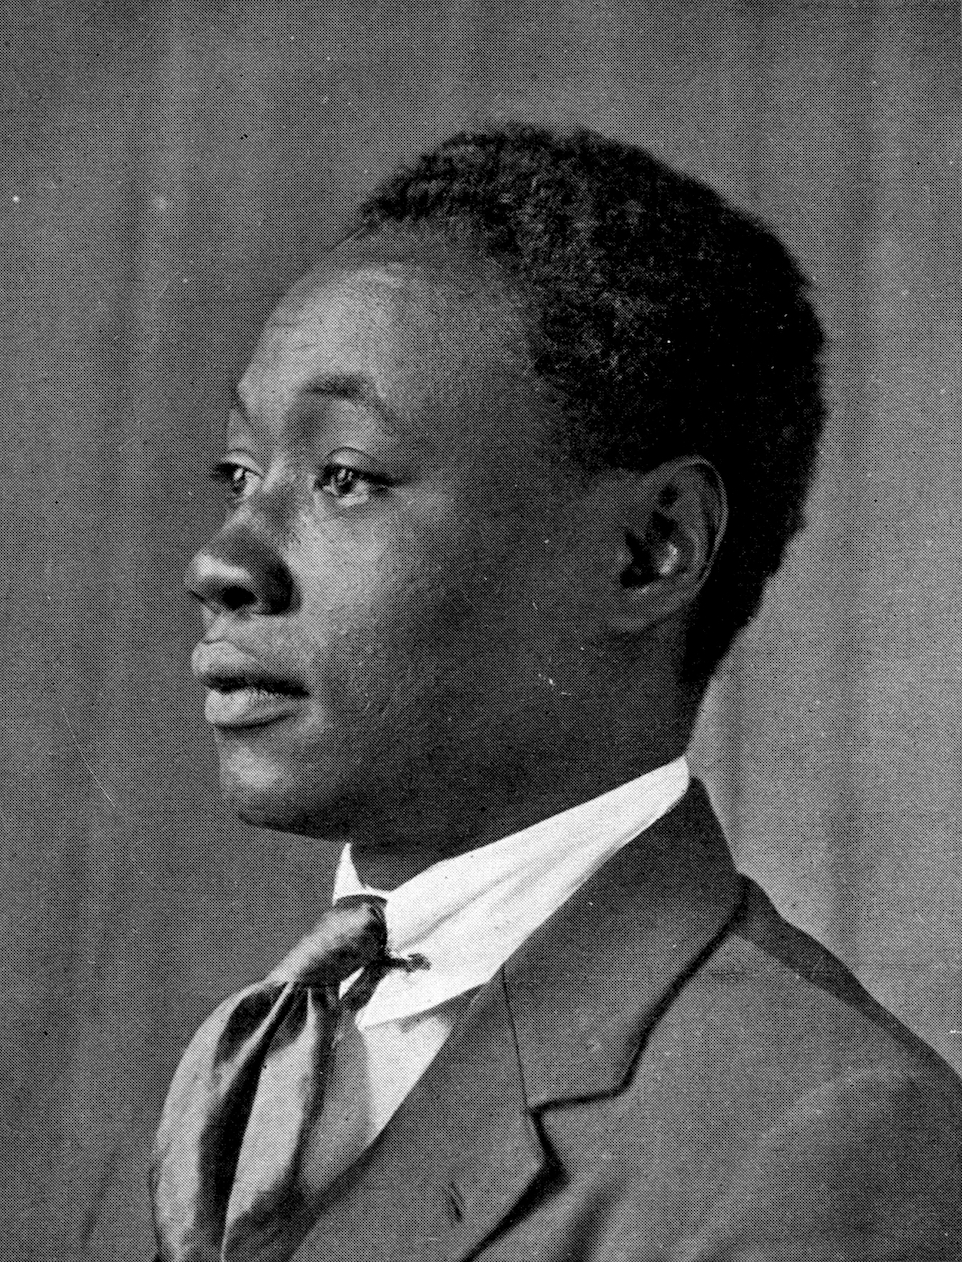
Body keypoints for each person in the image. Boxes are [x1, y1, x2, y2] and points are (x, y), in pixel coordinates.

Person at [151, 127, 962, 1262]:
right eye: (240, 474)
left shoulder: (828, 1140)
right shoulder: (250, 1053)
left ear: (648, 549)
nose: (221, 561)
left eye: (345, 475)